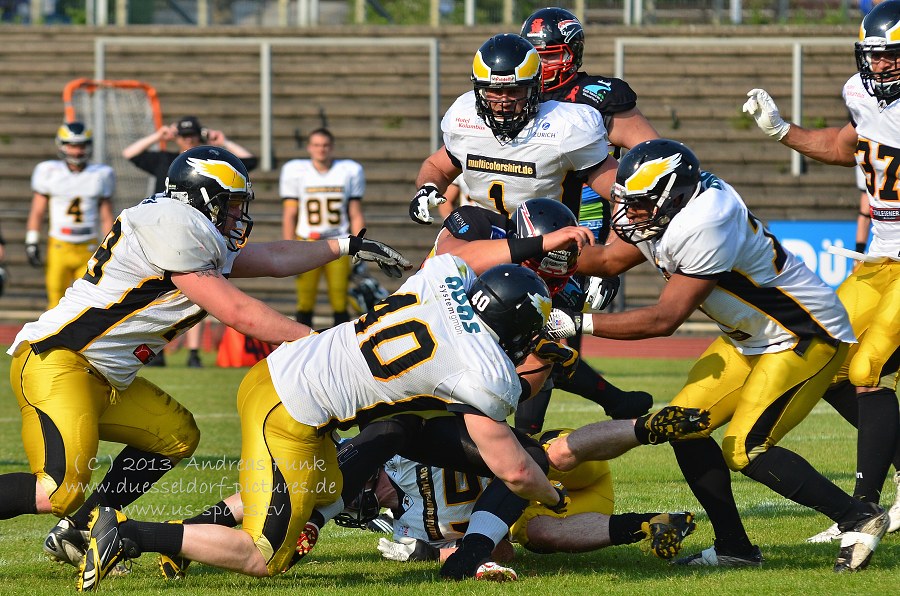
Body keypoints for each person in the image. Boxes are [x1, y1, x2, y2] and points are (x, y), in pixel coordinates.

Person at [1, 146, 409, 578]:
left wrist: (344, 245)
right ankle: (75, 514)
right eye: (231, 205)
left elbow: (270, 259)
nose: (237, 216)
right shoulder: (174, 226)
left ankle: (82, 527)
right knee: (58, 489)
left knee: (175, 435)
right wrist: (320, 342)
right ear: (202, 197)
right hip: (59, 361)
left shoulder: (189, 225)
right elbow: (237, 313)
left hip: (102, 375)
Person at [74, 258, 572, 590]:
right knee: (266, 556)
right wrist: (551, 497)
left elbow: (453, 252)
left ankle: (200, 531)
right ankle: (129, 531)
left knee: (329, 481)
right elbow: (515, 473)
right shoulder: (484, 373)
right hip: (291, 414)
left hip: (285, 375)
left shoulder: (443, 278)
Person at [545, 139, 891, 572]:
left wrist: (577, 323)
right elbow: (612, 259)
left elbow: (665, 319)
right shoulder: (670, 209)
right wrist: (543, 255)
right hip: (749, 336)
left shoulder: (707, 220)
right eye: (627, 203)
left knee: (746, 448)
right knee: (682, 425)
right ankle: (734, 547)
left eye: (640, 205)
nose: (628, 215)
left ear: (673, 197)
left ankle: (859, 516)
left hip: (802, 333)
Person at [742, 0, 900, 540]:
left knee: (868, 368)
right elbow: (846, 143)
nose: (878, 67)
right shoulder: (859, 93)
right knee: (831, 356)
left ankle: (863, 509)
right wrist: (783, 130)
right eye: (873, 57)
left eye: (891, 58)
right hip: (879, 258)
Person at [374, 430, 696, 565]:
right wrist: (431, 555)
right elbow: (501, 552)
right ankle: (651, 523)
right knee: (534, 534)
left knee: (548, 455)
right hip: (565, 511)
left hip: (558, 467)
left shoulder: (404, 444)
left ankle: (645, 428)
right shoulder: (409, 533)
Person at [408, 33, 617, 227]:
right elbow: (437, 166)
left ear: (535, 89)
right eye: (494, 92)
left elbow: (616, 187)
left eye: (514, 90)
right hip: (484, 236)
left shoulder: (565, 126)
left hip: (545, 242)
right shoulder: (466, 119)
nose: (504, 101)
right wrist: (428, 187)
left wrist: (639, 200)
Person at [122, 115, 258, 367]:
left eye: (193, 137)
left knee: (191, 298)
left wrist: (222, 142)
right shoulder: (167, 161)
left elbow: (251, 161)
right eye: (183, 137)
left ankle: (190, 352)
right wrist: (159, 136)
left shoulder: (214, 167)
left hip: (186, 237)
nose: (188, 141)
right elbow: (129, 153)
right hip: (169, 241)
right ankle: (154, 348)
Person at [281, 128, 366, 327]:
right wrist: (288, 247)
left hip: (339, 242)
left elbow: (355, 212)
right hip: (307, 242)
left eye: (326, 145)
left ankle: (341, 348)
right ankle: (301, 345)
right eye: (317, 145)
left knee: (339, 299)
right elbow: (290, 214)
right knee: (305, 299)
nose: (321, 149)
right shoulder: (297, 172)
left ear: (332, 148)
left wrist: (358, 245)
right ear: (309, 148)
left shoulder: (348, 171)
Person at [25, 122, 115, 309]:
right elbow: (38, 210)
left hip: (88, 247)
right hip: (59, 245)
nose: (77, 151)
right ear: (62, 145)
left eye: (81, 145)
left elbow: (106, 215)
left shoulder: (101, 173)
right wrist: (32, 240)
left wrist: (110, 247)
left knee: (89, 301)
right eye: (72, 145)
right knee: (55, 300)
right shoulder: (49, 171)